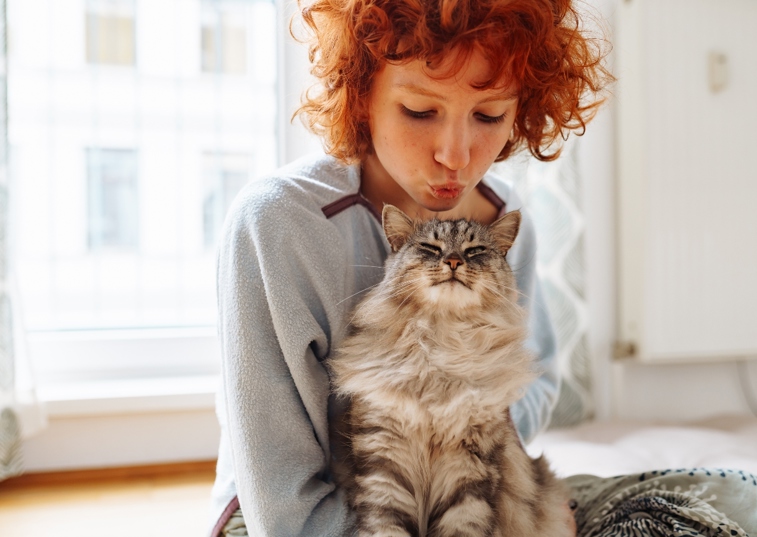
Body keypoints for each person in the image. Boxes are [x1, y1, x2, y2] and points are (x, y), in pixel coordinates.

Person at [208, 1, 757, 536]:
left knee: (724, 503)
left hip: (479, 493)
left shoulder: (502, 218)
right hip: (312, 513)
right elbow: (280, 500)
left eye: (490, 115)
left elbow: (530, 391)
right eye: (420, 111)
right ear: (359, 94)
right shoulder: (278, 224)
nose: (456, 154)